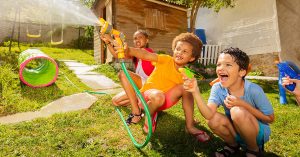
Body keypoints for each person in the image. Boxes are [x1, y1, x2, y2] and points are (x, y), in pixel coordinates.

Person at [109, 32, 210, 142]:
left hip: (161, 99)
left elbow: (189, 98)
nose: (179, 53)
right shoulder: (166, 59)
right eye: (178, 49)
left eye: (185, 51)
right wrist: (129, 50)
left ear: (191, 58)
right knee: (116, 97)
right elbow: (145, 55)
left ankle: (189, 126)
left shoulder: (187, 74)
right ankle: (137, 109)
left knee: (184, 88)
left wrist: (191, 118)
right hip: (146, 93)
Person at [182, 48, 274, 157]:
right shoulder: (218, 88)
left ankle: (253, 149)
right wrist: (196, 92)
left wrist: (242, 104)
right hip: (235, 130)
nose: (221, 68)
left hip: (257, 133)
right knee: (212, 120)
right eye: (219, 64)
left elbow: (270, 118)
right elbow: (208, 114)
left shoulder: (254, 90)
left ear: (242, 72)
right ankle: (232, 145)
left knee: (237, 111)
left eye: (228, 65)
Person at [101, 30, 155, 124]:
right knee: (115, 101)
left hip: (150, 87)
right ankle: (140, 102)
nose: (137, 40)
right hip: (140, 88)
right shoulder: (135, 56)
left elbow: (124, 50)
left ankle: (136, 112)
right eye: (135, 38)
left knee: (123, 74)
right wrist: (108, 43)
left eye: (140, 37)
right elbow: (117, 55)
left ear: (147, 40)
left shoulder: (148, 52)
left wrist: (111, 39)